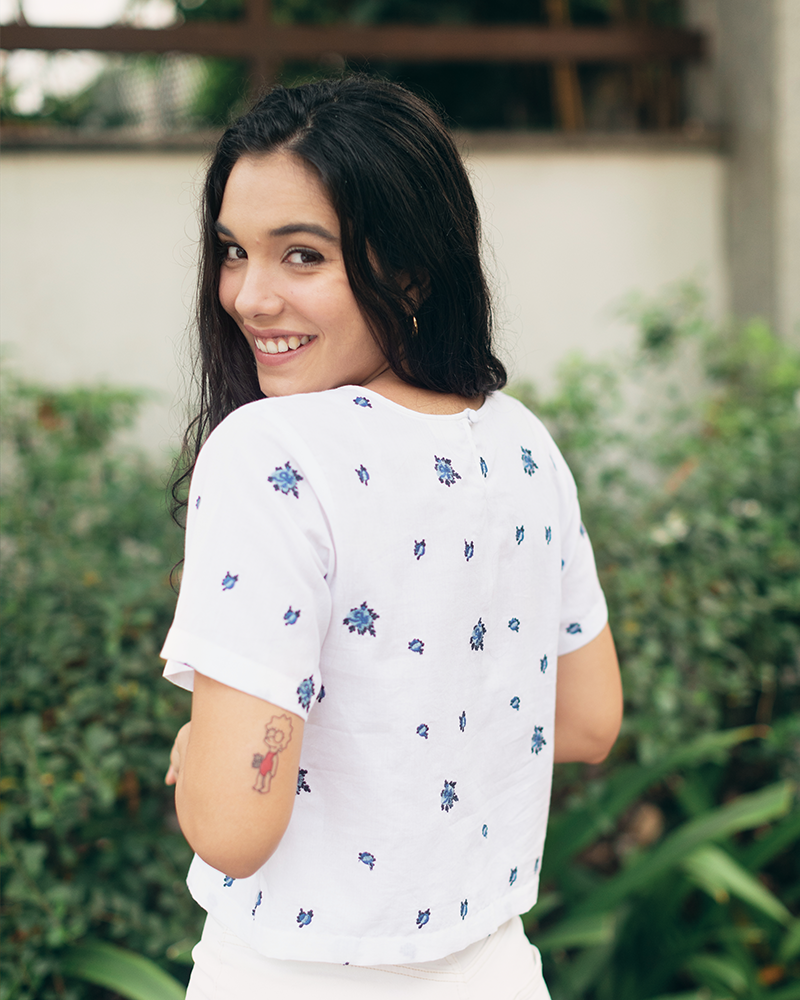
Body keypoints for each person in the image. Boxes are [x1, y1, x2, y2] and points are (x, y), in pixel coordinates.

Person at [162, 75, 622, 1000]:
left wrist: (199, 753)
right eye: (233, 252)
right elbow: (585, 722)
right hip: (496, 971)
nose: (249, 297)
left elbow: (231, 827)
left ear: (410, 266)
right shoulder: (523, 444)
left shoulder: (270, 452)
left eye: (302, 256)